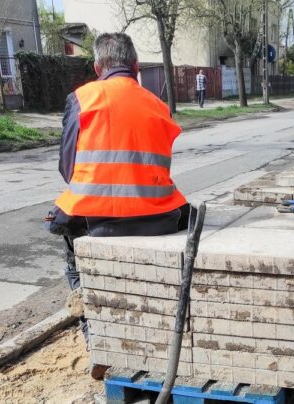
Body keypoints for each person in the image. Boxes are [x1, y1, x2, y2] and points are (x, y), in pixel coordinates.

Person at [44, 33, 190, 375]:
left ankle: (97, 340)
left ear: (97, 68)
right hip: (158, 218)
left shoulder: (82, 99)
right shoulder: (158, 105)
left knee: (72, 254)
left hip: (98, 222)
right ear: (136, 67)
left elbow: (68, 168)